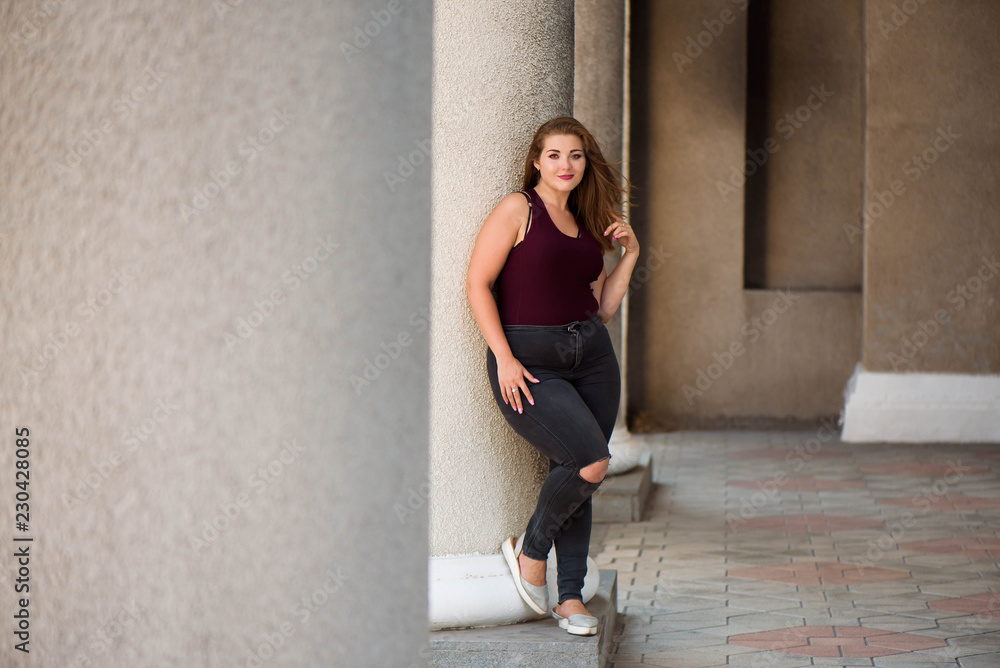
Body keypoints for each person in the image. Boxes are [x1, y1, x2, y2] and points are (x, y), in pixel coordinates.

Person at [465, 116, 640, 636]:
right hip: (530, 361)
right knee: (591, 461)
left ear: (586, 164)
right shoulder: (518, 209)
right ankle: (531, 552)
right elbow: (477, 283)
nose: (566, 165)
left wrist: (631, 253)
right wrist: (504, 357)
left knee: (583, 471)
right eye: (555, 155)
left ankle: (570, 598)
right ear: (537, 162)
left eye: (577, 156)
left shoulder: (590, 222)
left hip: (592, 358)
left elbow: (602, 307)